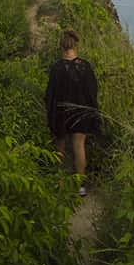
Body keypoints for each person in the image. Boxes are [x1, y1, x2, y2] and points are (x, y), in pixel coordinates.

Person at [44, 28, 100, 196]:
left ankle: (58, 184)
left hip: (61, 113)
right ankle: (80, 186)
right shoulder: (85, 66)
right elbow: (93, 91)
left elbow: (50, 94)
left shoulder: (56, 68)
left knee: (59, 147)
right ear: (76, 45)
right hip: (80, 113)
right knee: (79, 146)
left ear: (61, 47)